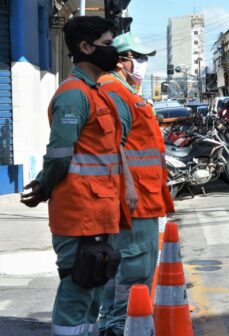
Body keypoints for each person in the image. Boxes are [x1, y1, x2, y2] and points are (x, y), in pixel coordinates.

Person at [20, 16, 136, 336]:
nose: (114, 53)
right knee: (78, 288)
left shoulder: (95, 92)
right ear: (85, 48)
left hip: (99, 210)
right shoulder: (74, 95)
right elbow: (59, 154)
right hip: (80, 212)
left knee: (93, 289)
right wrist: (43, 186)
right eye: (108, 45)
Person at [97, 32, 175, 336]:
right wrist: (128, 186)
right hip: (135, 199)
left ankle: (115, 323)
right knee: (134, 267)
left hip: (142, 195)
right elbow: (112, 144)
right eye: (138, 58)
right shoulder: (115, 91)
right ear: (121, 60)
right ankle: (120, 325)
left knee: (125, 265)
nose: (142, 64)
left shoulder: (125, 91)